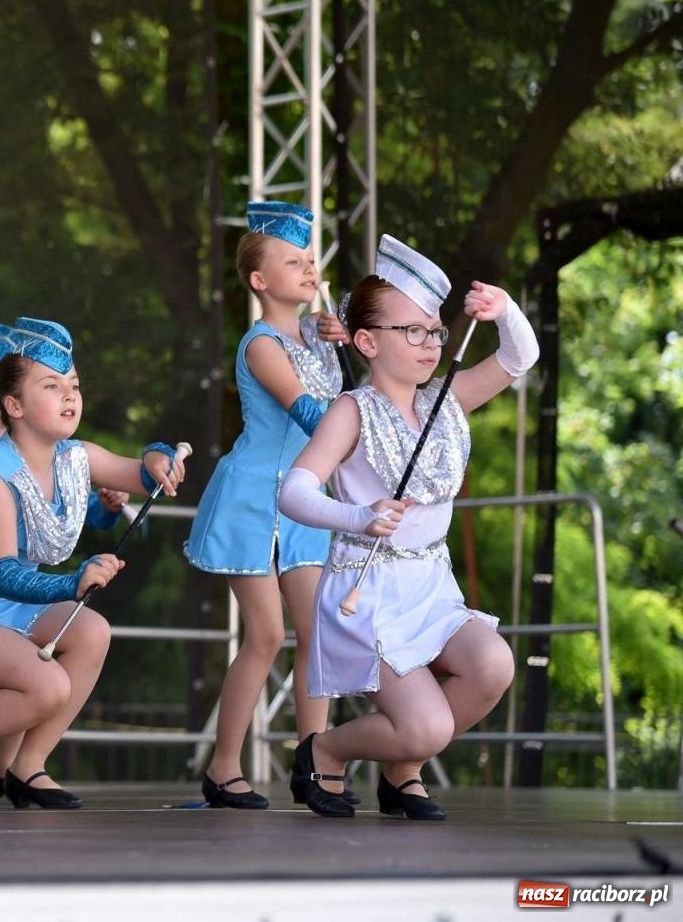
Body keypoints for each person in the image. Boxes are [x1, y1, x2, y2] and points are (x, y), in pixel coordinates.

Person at [277, 235, 537, 820]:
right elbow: (294, 492)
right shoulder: (352, 410)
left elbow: (519, 357)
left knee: (494, 664)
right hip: (369, 596)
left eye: (436, 332)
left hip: (431, 588)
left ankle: (401, 773)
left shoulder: (446, 400)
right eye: (412, 331)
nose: (430, 344)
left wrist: (503, 309)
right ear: (367, 341)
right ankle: (324, 749)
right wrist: (359, 516)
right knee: (426, 727)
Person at [0, 318, 184, 809]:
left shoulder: (75, 456)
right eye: (51, 386)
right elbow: (1, 572)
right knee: (48, 685)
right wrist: (73, 581)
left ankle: (28, 766)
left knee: (92, 632)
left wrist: (158, 458)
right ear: (14, 406)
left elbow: (139, 472)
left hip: (4, 604)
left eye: (74, 384)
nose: (70, 395)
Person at [182, 202, 351, 809]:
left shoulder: (320, 339)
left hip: (304, 503)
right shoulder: (260, 343)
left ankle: (315, 764)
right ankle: (223, 767)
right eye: (292, 261)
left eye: (310, 259)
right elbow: (311, 413)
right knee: (265, 634)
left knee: (319, 632)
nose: (309, 269)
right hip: (253, 500)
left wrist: (346, 347)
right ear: (259, 279)